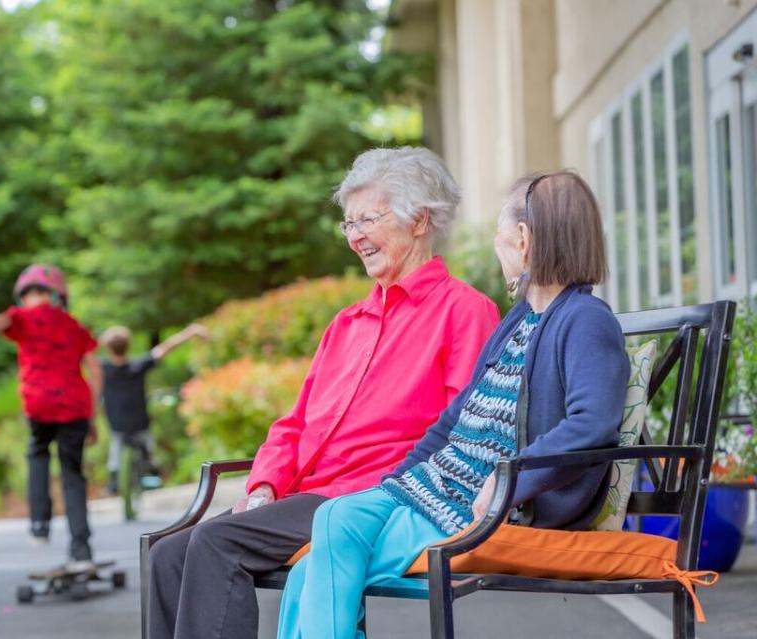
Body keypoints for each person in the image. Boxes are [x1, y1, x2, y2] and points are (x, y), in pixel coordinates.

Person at [147, 147, 501, 639]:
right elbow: (294, 424)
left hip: (375, 498)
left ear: (419, 220)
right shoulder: (348, 324)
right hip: (305, 494)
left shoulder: (464, 311)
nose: (355, 237)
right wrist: (265, 484)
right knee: (168, 554)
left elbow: (468, 432)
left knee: (215, 542)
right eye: (348, 224)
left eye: (367, 220)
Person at [275, 170, 631, 639]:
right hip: (437, 489)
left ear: (523, 240)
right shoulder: (521, 319)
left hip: (488, 504)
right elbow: (456, 418)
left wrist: (513, 477)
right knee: (326, 536)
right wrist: (401, 478)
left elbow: (593, 424)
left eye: (499, 234)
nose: (496, 245)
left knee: (330, 545)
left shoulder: (585, 320)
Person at [0, 264, 102, 569]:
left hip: (39, 403)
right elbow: (95, 369)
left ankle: (39, 524)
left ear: (23, 295)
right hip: (74, 405)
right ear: (59, 295)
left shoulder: (21, 318)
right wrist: (92, 416)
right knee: (73, 474)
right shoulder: (74, 326)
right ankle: (81, 550)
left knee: (38, 455)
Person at [99, 323, 208, 493]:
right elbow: (166, 347)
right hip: (139, 421)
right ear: (127, 346)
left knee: (115, 449)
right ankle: (152, 469)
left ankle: (114, 478)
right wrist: (190, 331)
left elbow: (82, 356)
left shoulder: (102, 368)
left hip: (116, 424)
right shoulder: (138, 365)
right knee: (148, 446)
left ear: (108, 348)